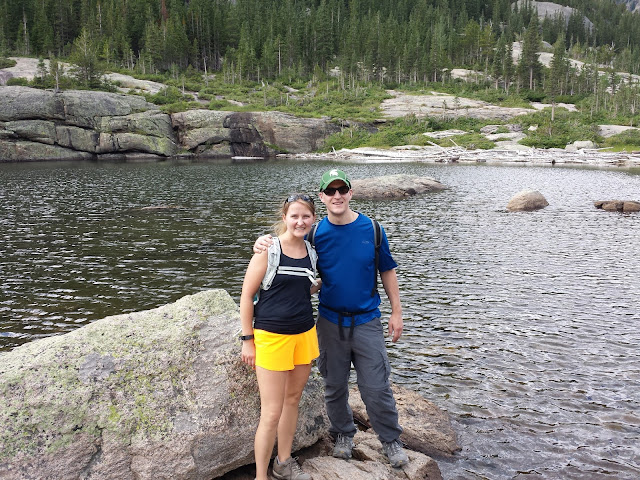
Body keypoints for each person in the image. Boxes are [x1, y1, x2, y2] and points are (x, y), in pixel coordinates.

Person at [253, 169, 409, 468]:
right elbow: (286, 247)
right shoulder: (313, 234)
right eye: (330, 191)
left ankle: (390, 440)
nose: (337, 196)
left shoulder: (373, 230)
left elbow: (387, 270)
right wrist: (262, 242)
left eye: (342, 190)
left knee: (376, 387)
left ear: (351, 193)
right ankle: (343, 435)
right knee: (334, 386)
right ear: (322, 197)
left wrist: (397, 311)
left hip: (366, 320)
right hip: (328, 321)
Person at [240, 193, 321, 480]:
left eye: (305, 216)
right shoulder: (268, 249)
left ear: (313, 219)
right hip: (271, 337)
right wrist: (247, 340)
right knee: (271, 412)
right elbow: (247, 296)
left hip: (304, 334)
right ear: (284, 217)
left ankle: (283, 464)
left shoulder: (311, 252)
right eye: (294, 216)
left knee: (292, 400)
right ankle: (261, 476)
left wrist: (319, 284)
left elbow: (300, 288)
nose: (300, 221)